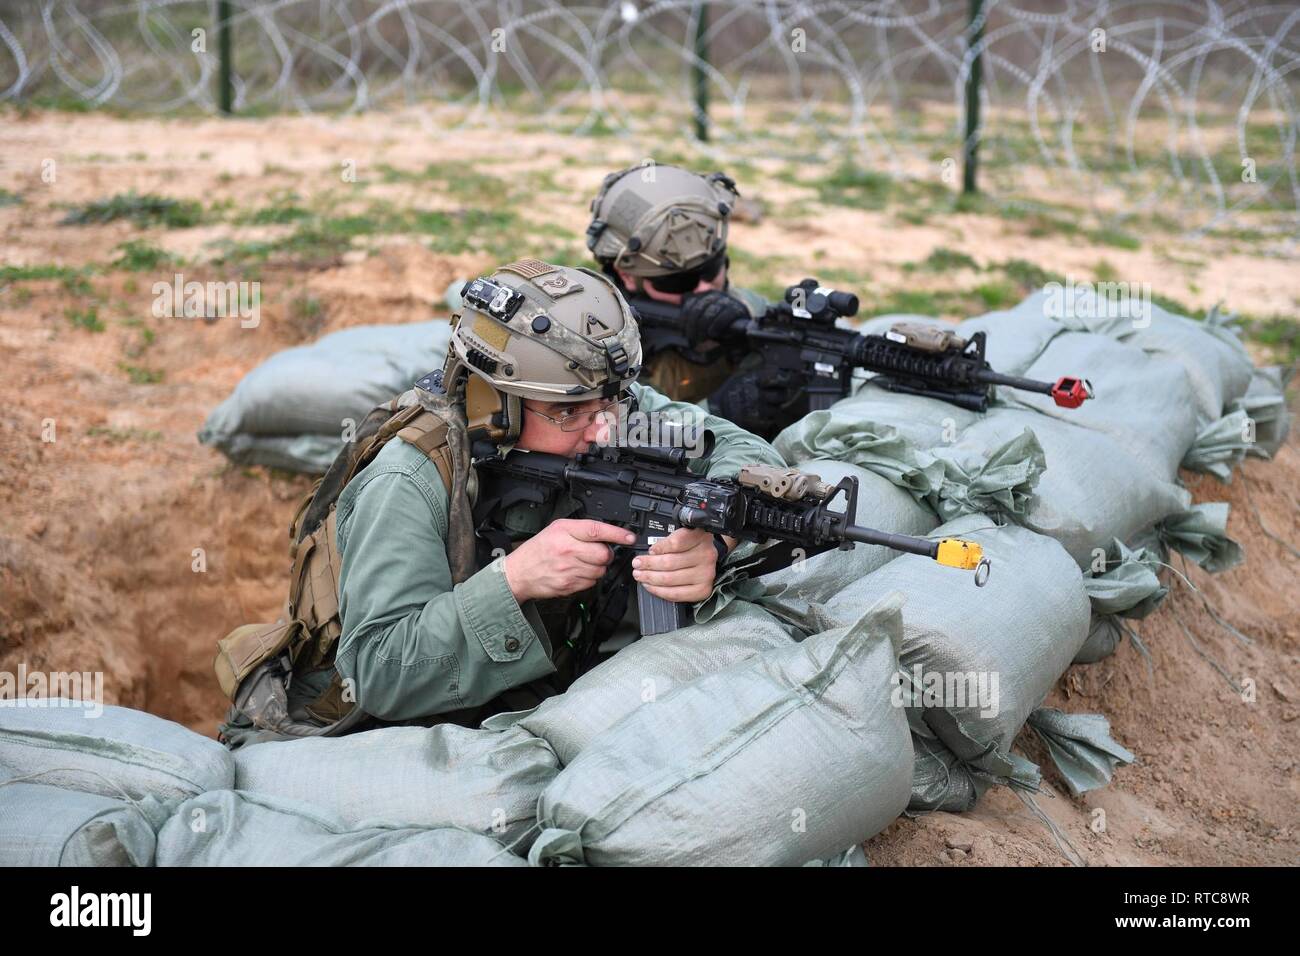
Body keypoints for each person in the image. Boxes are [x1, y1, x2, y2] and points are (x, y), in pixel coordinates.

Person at [216, 258, 783, 748]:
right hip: (371, 725)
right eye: (570, 415)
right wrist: (512, 582)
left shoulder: (592, 399)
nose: (603, 427)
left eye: (611, 402)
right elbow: (376, 672)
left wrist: (716, 538)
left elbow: (740, 449)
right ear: (495, 402)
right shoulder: (409, 478)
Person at [586, 163, 769, 405]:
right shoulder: (590, 343)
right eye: (677, 282)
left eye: (710, 269)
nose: (703, 289)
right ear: (628, 276)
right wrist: (722, 410)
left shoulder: (756, 313)